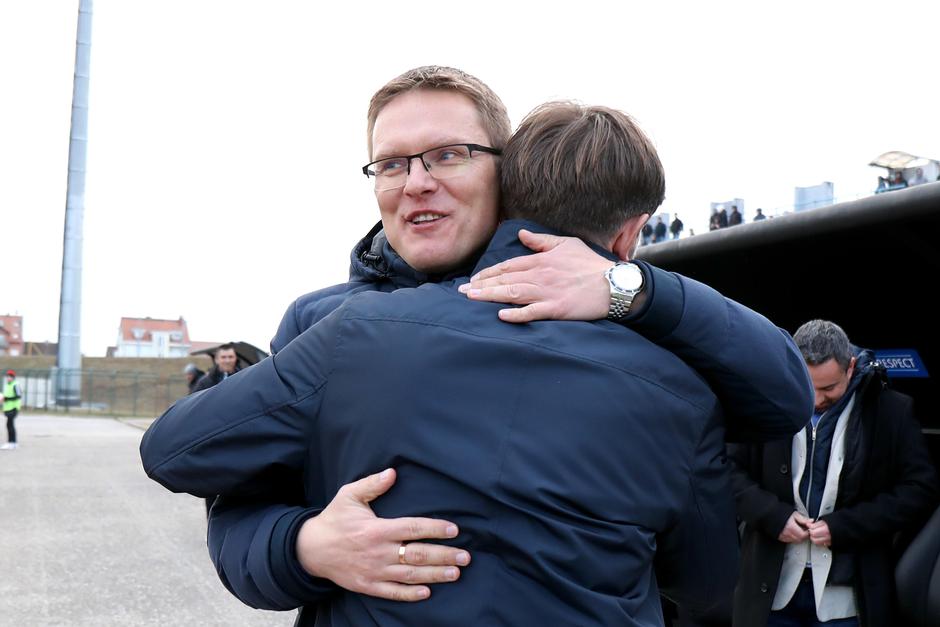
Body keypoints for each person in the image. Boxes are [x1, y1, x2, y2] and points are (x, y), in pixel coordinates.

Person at [145, 67, 810, 619]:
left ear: (507, 169)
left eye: (447, 154)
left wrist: (630, 287)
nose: (416, 181)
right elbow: (230, 501)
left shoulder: (624, 308)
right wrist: (302, 546)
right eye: (392, 163)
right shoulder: (320, 322)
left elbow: (783, 388)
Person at [728, 320, 938, 627]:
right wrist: (774, 516)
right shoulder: (762, 404)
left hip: (848, 602)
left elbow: (920, 489)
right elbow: (727, 472)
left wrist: (845, 526)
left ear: (850, 368)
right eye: (806, 386)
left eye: (828, 388)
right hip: (768, 595)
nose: (815, 399)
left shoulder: (892, 412)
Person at [1, 369, 22, 450]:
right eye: (8, 376)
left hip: (14, 407)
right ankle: (12, 442)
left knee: (10, 425)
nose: (8, 378)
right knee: (9, 425)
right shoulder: (7, 385)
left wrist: (7, 398)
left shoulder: (15, 385)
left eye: (10, 376)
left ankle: (11, 442)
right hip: (8, 408)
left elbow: (18, 396)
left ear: (13, 377)